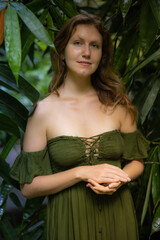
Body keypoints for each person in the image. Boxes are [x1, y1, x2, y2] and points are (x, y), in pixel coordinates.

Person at [10, 12, 150, 240]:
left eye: (94, 45)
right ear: (62, 52)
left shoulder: (118, 104)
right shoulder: (42, 112)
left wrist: (121, 177)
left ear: (102, 55)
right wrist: (81, 172)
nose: (86, 52)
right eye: (78, 43)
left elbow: (137, 161)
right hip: (69, 223)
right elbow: (29, 187)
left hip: (119, 218)